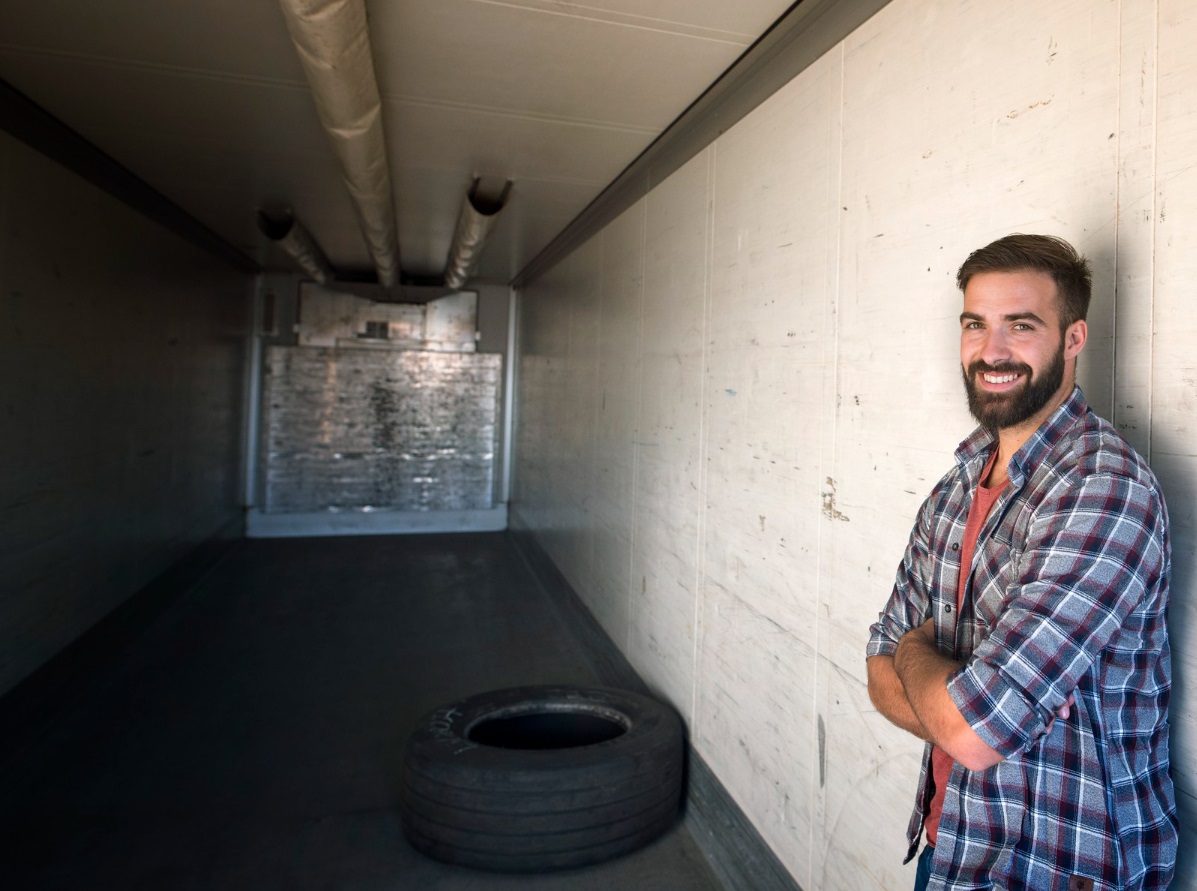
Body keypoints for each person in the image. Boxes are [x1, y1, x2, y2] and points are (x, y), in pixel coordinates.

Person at [865, 234, 1177, 890]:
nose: (991, 350)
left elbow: (974, 731)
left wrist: (921, 660)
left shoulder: (1103, 487)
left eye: (1021, 325)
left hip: (1052, 868)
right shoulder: (955, 486)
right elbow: (877, 668)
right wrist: (951, 692)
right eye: (975, 324)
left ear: (1073, 337)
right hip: (947, 847)